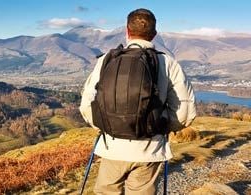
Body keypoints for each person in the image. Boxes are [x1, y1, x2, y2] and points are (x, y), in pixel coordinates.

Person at [79, 8, 196, 194]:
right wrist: (163, 126)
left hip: (112, 146)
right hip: (149, 149)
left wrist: (105, 125)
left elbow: (87, 104)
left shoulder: (107, 61)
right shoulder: (168, 64)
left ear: (127, 30)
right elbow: (185, 111)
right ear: (154, 34)